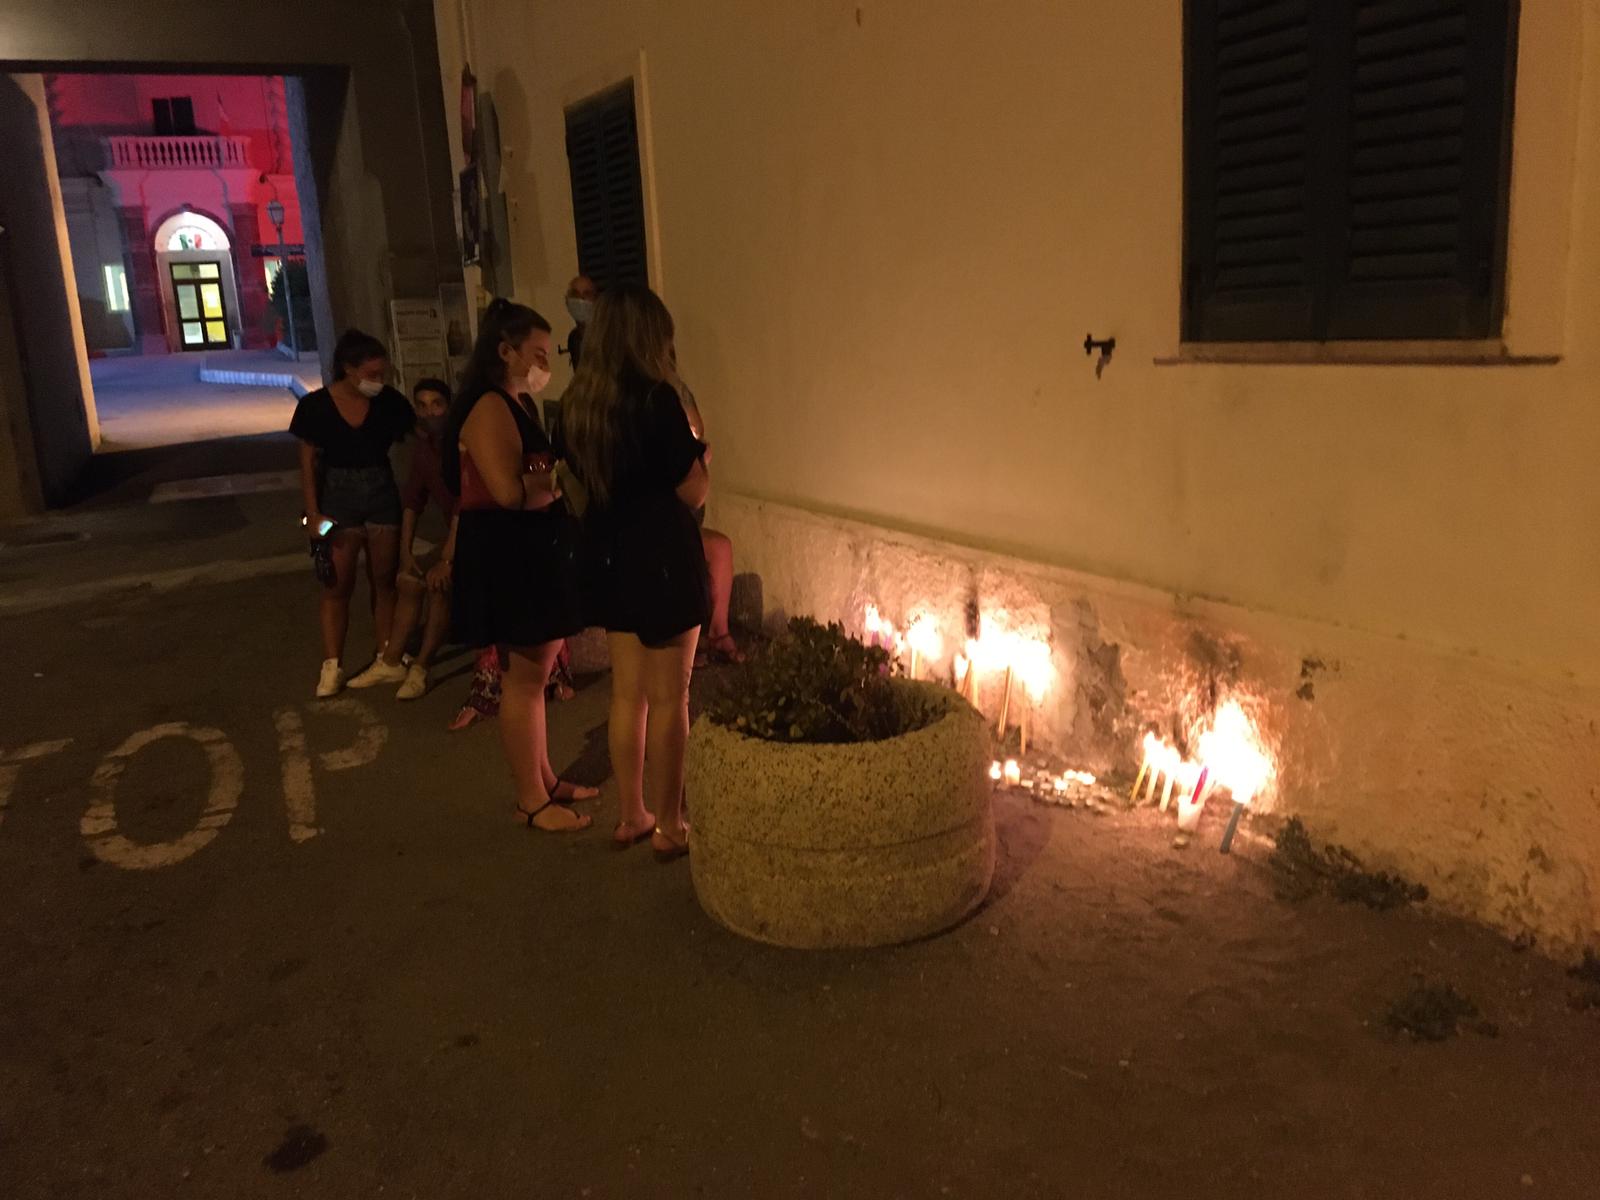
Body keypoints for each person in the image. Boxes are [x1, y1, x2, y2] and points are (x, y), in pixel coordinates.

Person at [564, 284, 709, 859]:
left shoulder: (580, 406)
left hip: (610, 556)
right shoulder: (656, 401)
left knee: (627, 695)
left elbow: (578, 487)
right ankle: (670, 825)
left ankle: (631, 815)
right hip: (663, 558)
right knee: (672, 698)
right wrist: (700, 456)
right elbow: (693, 491)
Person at [445, 298, 596, 831]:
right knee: (525, 682)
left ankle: (545, 779)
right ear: (505, 351)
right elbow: (508, 492)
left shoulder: (519, 402)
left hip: (531, 549)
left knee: (537, 672)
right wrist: (553, 484)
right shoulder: (489, 406)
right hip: (509, 555)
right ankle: (531, 801)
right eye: (536, 352)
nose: (543, 363)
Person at [292, 329, 415, 698]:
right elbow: (307, 462)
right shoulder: (315, 406)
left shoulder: (389, 403)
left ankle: (387, 655)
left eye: (382, 374)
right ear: (348, 369)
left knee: (384, 579)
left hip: (381, 492)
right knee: (337, 585)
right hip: (338, 496)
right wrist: (312, 513)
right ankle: (332, 664)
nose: (378, 381)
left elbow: (417, 439)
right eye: (371, 374)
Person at [347, 378, 457, 699]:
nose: (429, 412)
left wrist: (447, 559)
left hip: (478, 532)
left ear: (449, 407)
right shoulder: (424, 449)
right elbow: (412, 501)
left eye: (436, 404)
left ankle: (421, 666)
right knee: (409, 580)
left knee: (438, 583)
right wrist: (406, 553)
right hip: (456, 533)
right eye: (422, 405)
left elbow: (467, 504)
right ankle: (392, 660)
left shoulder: (459, 444)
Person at [674, 379, 744, 665]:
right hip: (653, 531)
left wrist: (698, 461)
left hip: (682, 526)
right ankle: (682, 646)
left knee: (720, 547)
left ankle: (718, 632)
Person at [563, 274, 596, 368]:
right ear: (567, 301)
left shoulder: (607, 334)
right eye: (575, 294)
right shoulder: (574, 338)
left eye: (587, 294)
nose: (580, 299)